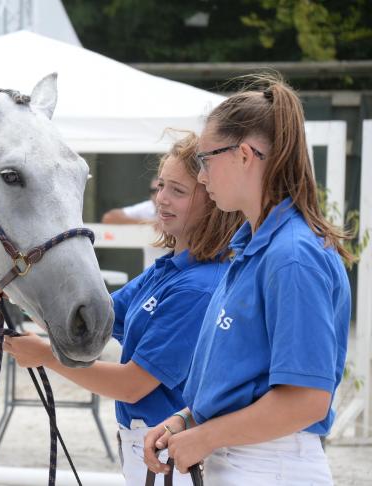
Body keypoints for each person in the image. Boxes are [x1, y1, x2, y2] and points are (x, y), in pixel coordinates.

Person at [0, 132, 243, 486]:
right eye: (160, 187)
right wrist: (14, 289)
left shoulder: (199, 286)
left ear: (212, 201)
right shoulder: (167, 271)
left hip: (170, 452)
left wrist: (46, 356)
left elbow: (133, 385)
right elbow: (91, 322)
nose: (161, 200)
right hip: (146, 445)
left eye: (178, 192)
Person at [143, 75, 352, 486]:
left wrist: (206, 435)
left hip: (270, 464)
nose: (201, 177)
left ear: (243, 155)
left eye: (205, 160)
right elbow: (243, 378)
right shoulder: (256, 249)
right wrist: (187, 418)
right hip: (247, 459)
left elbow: (307, 400)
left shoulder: (292, 257)